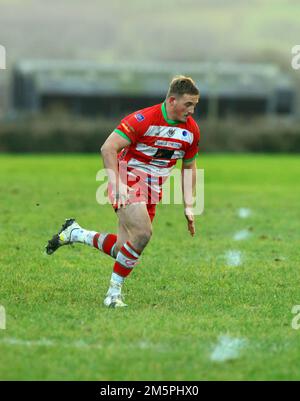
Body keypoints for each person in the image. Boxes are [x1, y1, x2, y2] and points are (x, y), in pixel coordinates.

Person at [45, 75, 200, 308]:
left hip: (153, 191)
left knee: (123, 250)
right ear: (171, 101)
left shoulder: (191, 131)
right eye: (188, 104)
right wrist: (116, 184)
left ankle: (75, 233)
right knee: (143, 234)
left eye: (195, 106)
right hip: (128, 181)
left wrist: (189, 205)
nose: (192, 111)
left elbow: (189, 168)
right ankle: (113, 294)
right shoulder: (143, 119)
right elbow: (108, 148)